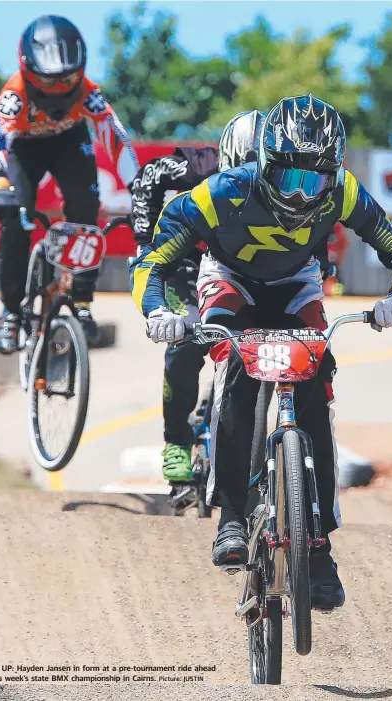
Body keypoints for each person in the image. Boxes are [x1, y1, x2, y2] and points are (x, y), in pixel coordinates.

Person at [129, 94, 392, 610]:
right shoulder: (218, 192)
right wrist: (159, 311)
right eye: (291, 179)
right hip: (229, 282)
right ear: (263, 162)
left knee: (318, 383)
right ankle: (232, 518)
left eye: (317, 181)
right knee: (236, 373)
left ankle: (320, 546)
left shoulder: (343, 192)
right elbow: (150, 261)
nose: (304, 194)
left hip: (297, 286)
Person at [0, 14, 139, 353]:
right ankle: (10, 310)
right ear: (27, 69)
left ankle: (81, 301)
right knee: (15, 220)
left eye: (69, 79)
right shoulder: (15, 95)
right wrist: (0, 185)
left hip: (70, 143)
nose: (60, 88)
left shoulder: (88, 93)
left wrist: (139, 188)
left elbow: (116, 139)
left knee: (85, 208)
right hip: (24, 149)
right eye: (49, 81)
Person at [129, 110, 266, 482]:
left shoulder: (280, 182)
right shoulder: (193, 167)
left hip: (241, 274)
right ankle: (176, 440)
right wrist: (145, 241)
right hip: (185, 270)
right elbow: (147, 177)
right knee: (186, 342)